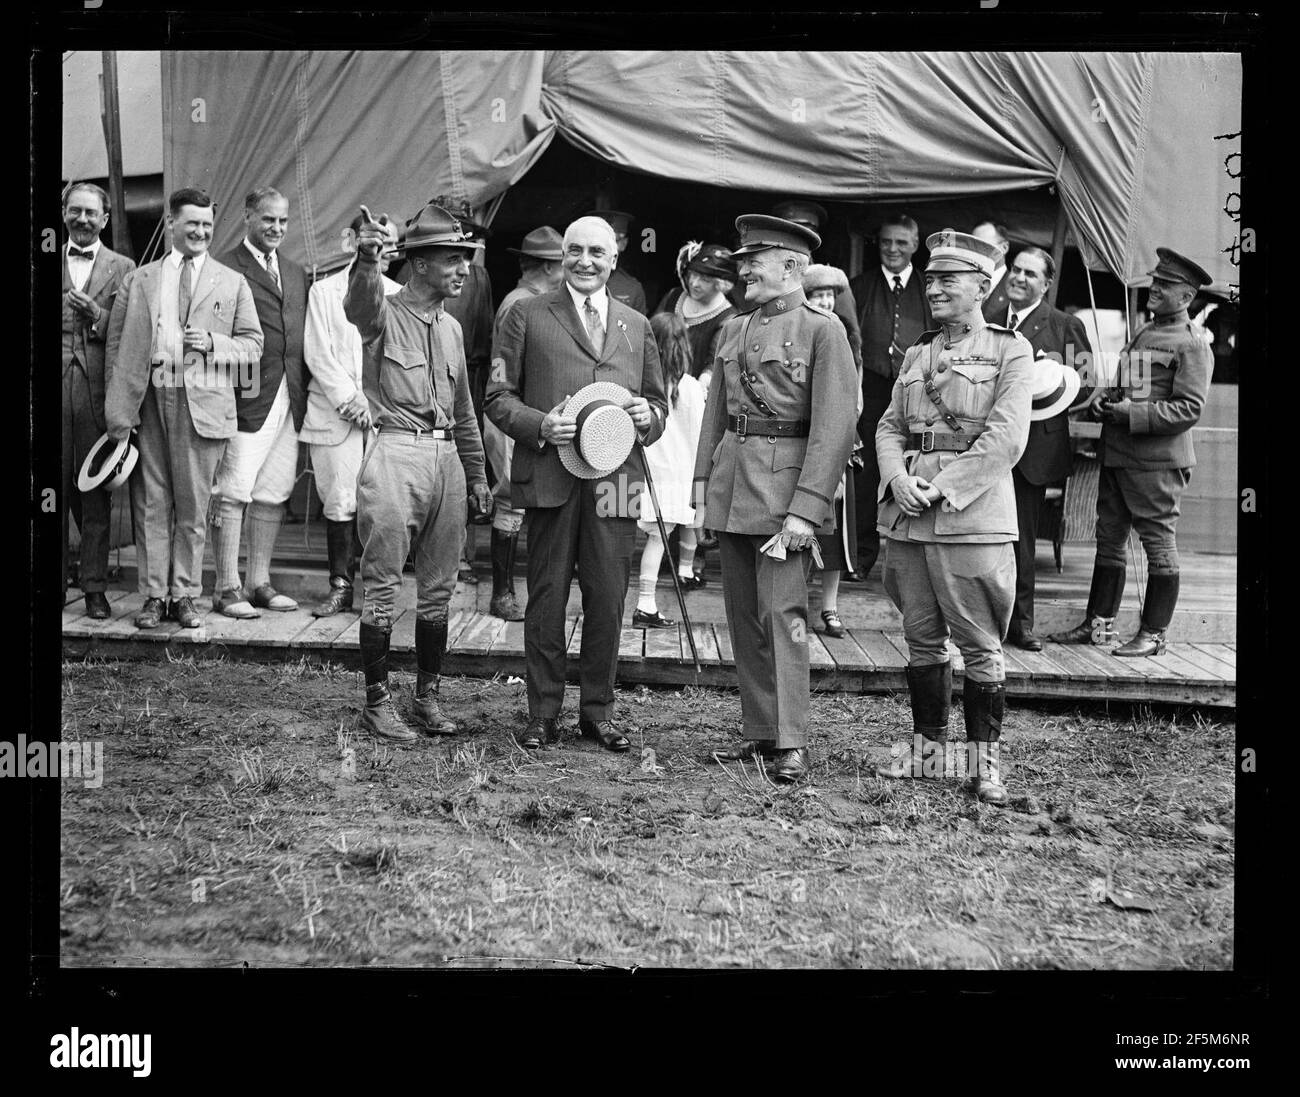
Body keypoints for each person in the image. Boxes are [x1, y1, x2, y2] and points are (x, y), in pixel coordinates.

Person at [486, 215, 667, 753]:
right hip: (550, 477)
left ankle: (598, 712)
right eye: (575, 250)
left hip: (618, 481)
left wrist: (646, 418)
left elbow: (659, 405)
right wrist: (540, 425)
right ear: (562, 257)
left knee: (609, 597)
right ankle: (542, 714)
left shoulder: (638, 324)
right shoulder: (526, 315)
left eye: (597, 252)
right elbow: (497, 398)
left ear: (614, 261)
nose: (585, 261)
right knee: (545, 598)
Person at [693, 214, 857, 783]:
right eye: (741, 263)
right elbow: (717, 413)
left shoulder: (822, 330)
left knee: (782, 615)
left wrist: (806, 510)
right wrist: (701, 488)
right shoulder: (734, 329)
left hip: (786, 495)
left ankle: (791, 739)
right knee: (743, 617)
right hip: (734, 486)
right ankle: (761, 729)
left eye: (752, 264)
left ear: (791, 268)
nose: (741, 273)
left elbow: (834, 428)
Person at [871, 228, 1033, 806]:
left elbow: (1006, 439)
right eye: (930, 277)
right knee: (921, 640)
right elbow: (889, 426)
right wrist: (896, 479)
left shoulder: (1010, 350)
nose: (933, 287)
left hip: (971, 515)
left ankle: (985, 768)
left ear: (982, 286)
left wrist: (938, 487)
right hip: (909, 517)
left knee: (980, 643)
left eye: (948, 279)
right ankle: (929, 755)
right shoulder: (917, 353)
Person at [345, 202, 492, 743]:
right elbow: (359, 308)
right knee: (382, 585)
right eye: (452, 259)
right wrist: (367, 258)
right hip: (396, 455)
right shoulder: (384, 310)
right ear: (420, 264)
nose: (463, 269)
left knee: (439, 589)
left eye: (466, 259)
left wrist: (477, 475)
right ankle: (376, 703)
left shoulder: (452, 328)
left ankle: (427, 698)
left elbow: (464, 411)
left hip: (446, 459)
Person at [104, 187, 264, 630]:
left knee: (193, 507)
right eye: (191, 223)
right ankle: (155, 596)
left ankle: (185, 595)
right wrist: (118, 409)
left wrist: (213, 344)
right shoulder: (141, 279)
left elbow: (254, 345)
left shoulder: (232, 281)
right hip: (150, 397)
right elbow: (117, 346)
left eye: (207, 225)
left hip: (203, 404)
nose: (200, 232)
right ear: (171, 223)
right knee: (152, 502)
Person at [1048, 247, 1213, 657]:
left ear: (1187, 297)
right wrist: (1109, 404)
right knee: (1109, 540)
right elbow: (1133, 388)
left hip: (1156, 465)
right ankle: (1099, 626)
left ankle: (1153, 633)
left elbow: (1188, 409)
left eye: (1165, 285)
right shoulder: (1144, 332)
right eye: (1155, 281)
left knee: (1157, 545)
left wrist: (1129, 413)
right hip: (1119, 455)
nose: (1154, 289)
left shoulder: (1192, 344)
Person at [211, 187, 310, 619]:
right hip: (246, 395)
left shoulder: (294, 270)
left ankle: (258, 583)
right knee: (233, 490)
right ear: (248, 217)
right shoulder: (224, 267)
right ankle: (226, 587)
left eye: (283, 221)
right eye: (268, 219)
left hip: (289, 395)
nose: (276, 228)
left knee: (272, 491)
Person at [301, 212, 402, 617]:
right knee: (340, 501)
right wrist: (350, 398)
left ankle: (376, 592)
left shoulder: (399, 295)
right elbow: (318, 354)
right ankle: (340, 587)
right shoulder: (324, 292)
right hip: (336, 413)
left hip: (379, 417)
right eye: (374, 239)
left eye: (389, 241)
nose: (382, 248)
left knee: (381, 504)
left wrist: (371, 402)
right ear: (357, 242)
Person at [1000, 246, 1094, 651]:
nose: (1020, 278)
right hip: (989, 443)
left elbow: (1086, 383)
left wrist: (1048, 388)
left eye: (1030, 274)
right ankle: (980, 621)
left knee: (1021, 538)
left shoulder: (1063, 325)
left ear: (1047, 283)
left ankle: (1020, 625)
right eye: (1016, 270)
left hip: (1033, 450)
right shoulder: (988, 321)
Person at [61, 181, 136, 618]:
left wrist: (97, 315)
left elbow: (128, 332)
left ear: (105, 219)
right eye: (76, 211)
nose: (84, 219)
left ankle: (93, 587)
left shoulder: (123, 267)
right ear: (65, 214)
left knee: (93, 493)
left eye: (92, 213)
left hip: (97, 395)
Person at [485, 225, 566, 620]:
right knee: (510, 499)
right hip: (513, 418)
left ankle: (519, 593)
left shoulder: (536, 299)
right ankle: (502, 594)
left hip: (532, 419)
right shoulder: (520, 304)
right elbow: (505, 377)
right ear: (551, 267)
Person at [849, 214, 932, 580]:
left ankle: (910, 562)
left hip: (919, 393)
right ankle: (862, 556)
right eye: (886, 242)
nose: (893, 249)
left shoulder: (931, 288)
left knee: (916, 470)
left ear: (915, 245)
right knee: (865, 472)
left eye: (901, 242)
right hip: (870, 391)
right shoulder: (859, 287)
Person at [634, 312, 707, 627]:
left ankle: (648, 601)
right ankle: (646, 603)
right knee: (664, 536)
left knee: (654, 538)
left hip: (645, 473)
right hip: (679, 474)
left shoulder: (638, 384)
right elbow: (702, 435)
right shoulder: (690, 388)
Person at [802, 262, 861, 638]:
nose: (824, 301)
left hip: (838, 446)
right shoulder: (799, 334)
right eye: (816, 295)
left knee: (835, 537)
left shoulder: (845, 337)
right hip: (801, 446)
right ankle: (794, 605)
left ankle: (830, 608)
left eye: (829, 295)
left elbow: (851, 398)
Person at [771, 199, 863, 373]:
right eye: (790, 232)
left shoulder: (828, 279)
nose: (796, 240)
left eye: (806, 233)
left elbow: (852, 342)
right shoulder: (766, 279)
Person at [652, 241, 738, 385]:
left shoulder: (728, 319)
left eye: (705, 280)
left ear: (721, 284)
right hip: (655, 380)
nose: (694, 283)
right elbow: (650, 334)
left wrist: (701, 385)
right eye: (693, 274)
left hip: (691, 393)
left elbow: (713, 363)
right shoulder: (674, 295)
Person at [584, 210, 648, 315]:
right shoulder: (571, 280)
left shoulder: (632, 289)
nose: (605, 248)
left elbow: (638, 330)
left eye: (613, 241)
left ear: (623, 244)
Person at [973, 221, 1012, 323]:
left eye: (983, 245)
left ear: (1004, 247)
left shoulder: (1015, 287)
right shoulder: (965, 282)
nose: (976, 252)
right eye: (973, 246)